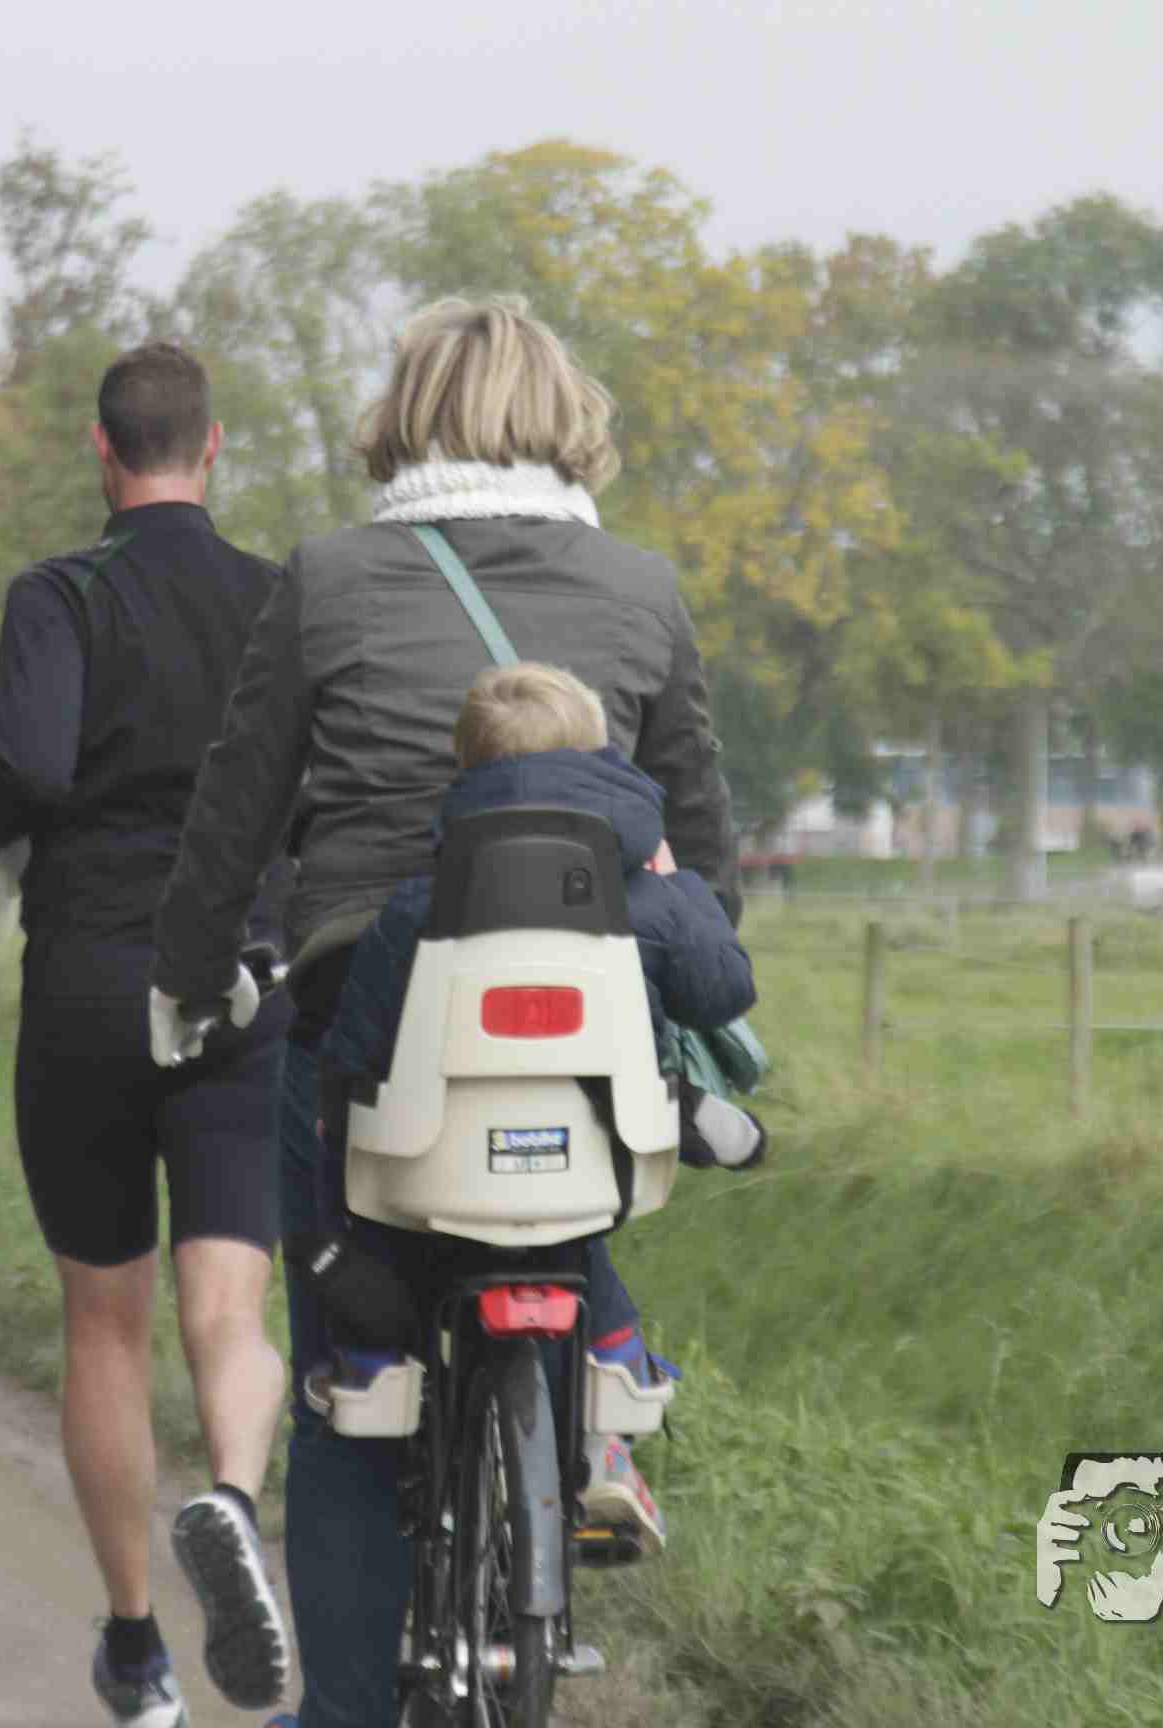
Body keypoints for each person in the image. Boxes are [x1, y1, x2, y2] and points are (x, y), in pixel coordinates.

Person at [148, 296, 740, 1728]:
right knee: (575, 1213)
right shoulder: (642, 589)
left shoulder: (331, 580)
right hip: (586, 1030)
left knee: (351, 1390)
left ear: (403, 419)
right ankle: (593, 1411)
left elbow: (235, 815)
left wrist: (190, 977)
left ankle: (347, 1709)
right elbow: (706, 841)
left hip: (377, 1017)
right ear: (567, 420)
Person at [0, 341, 292, 1727]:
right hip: (237, 981)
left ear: (101, 452)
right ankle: (234, 1499)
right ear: (213, 448)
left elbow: (33, 768)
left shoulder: (59, 594)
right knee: (230, 1308)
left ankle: (140, 1653)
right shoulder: (278, 599)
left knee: (104, 1323)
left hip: (92, 982)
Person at [312, 661, 768, 1526]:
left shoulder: (414, 909)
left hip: (444, 1166)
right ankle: (615, 1388)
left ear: (467, 774)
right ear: (599, 762)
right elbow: (724, 994)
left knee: (383, 1217)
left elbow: (356, 1053)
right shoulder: (650, 897)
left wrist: (335, 1128)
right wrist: (683, 889)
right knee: (576, 1234)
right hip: (597, 1155)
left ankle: (374, 1357)